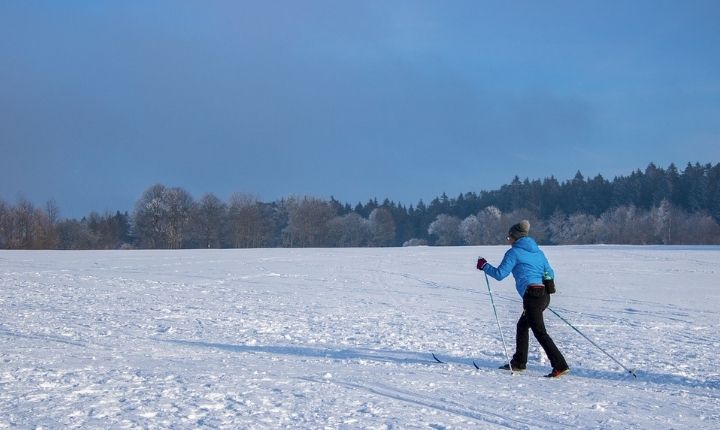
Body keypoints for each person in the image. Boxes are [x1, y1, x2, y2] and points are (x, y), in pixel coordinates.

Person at [476, 220, 570, 378]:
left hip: (532, 296)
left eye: (509, 238)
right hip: (543, 295)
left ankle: (560, 365)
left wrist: (484, 266)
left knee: (540, 332)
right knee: (522, 326)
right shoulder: (538, 252)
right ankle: (519, 362)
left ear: (515, 237)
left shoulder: (514, 252)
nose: (508, 241)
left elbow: (500, 274)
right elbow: (550, 274)